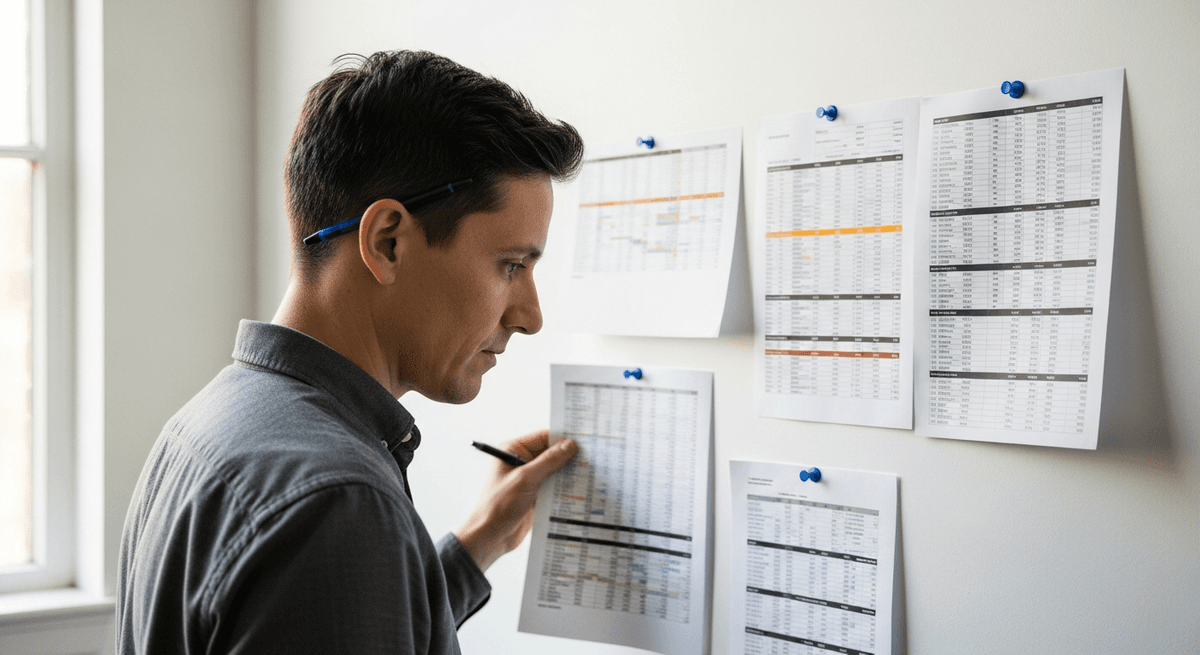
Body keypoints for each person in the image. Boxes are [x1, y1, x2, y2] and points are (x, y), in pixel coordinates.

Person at [116, 50, 586, 654]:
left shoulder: (212, 423)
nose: (530, 316)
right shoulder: (339, 503)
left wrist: (480, 541)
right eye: (511, 266)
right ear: (387, 241)